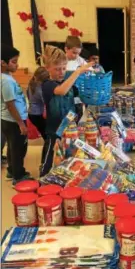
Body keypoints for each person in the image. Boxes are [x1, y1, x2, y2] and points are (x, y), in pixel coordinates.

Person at [40, 45, 93, 177]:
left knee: (66, 155)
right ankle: (43, 178)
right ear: (47, 68)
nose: (61, 72)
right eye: (57, 69)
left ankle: (62, 176)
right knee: (51, 154)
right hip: (55, 130)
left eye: (64, 68)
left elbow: (75, 99)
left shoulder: (67, 81)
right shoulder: (47, 84)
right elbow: (61, 91)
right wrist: (77, 72)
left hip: (69, 128)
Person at [1, 44, 31, 185]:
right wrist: (20, 123)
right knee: (19, 148)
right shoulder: (6, 81)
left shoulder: (6, 77)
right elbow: (10, 104)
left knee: (12, 147)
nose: (17, 65)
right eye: (13, 61)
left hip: (8, 120)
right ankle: (18, 177)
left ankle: (12, 171)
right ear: (2, 63)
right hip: (14, 121)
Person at [27, 67, 50, 140]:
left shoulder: (31, 84)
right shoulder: (39, 89)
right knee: (46, 135)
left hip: (32, 113)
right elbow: (46, 102)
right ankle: (47, 149)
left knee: (44, 133)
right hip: (36, 115)